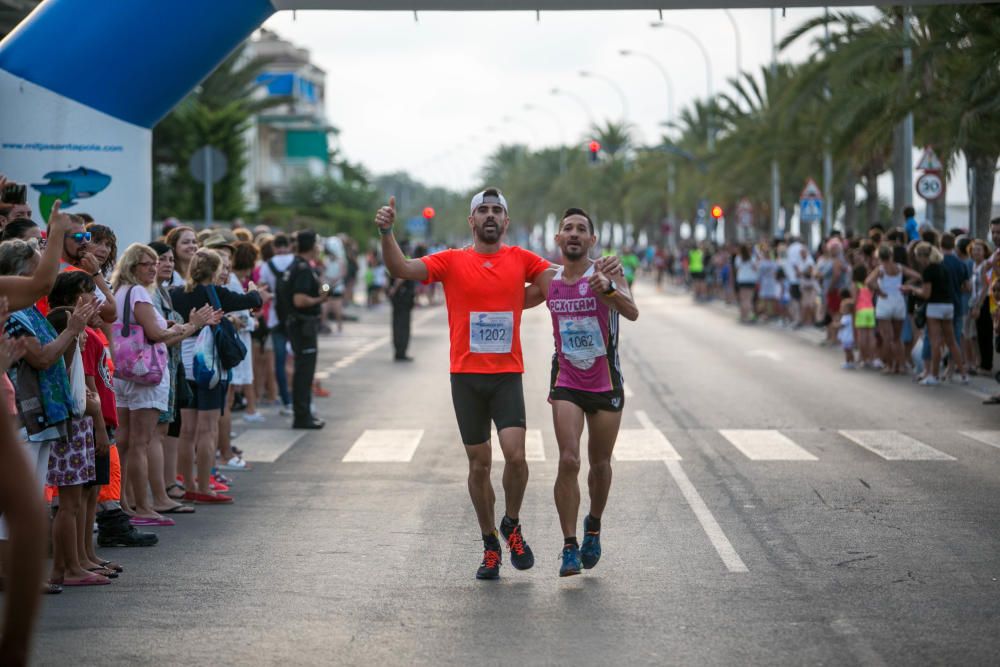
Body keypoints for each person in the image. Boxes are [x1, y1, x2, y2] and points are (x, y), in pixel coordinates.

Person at [374, 188, 620, 580]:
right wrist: (387, 235)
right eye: (482, 211)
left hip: (506, 374)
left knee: (516, 457)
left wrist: (601, 276)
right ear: (472, 221)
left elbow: (557, 282)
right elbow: (402, 269)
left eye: (497, 211)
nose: (490, 216)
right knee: (479, 465)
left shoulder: (521, 258)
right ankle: (491, 543)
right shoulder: (451, 260)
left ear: (506, 221)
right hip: (465, 376)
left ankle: (512, 522)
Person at [530, 208, 637, 576]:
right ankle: (569, 545)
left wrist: (607, 289)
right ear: (558, 239)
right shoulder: (548, 279)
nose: (574, 234)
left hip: (606, 381)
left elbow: (632, 311)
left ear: (592, 240)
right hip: (567, 380)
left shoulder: (607, 271)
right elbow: (506, 299)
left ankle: (593, 523)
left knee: (600, 465)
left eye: (581, 230)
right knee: (569, 460)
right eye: (567, 229)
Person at [111, 244, 215, 521]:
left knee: (123, 442)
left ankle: (124, 504)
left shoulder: (119, 291)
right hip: (145, 374)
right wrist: (190, 326)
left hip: (122, 372)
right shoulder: (138, 293)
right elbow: (156, 335)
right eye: (147, 264)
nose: (154, 268)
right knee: (141, 442)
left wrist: (170, 326)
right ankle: (144, 506)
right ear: (133, 267)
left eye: (155, 263)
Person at [170, 249, 259, 502]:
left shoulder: (177, 293)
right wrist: (252, 287)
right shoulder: (216, 294)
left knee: (186, 432)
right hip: (210, 368)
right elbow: (253, 300)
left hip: (185, 367)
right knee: (207, 430)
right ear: (216, 270)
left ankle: (186, 483)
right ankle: (204, 487)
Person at [281, 230, 329, 429]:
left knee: (304, 371)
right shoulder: (302, 268)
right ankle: (302, 417)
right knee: (304, 372)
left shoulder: (297, 266)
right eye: (317, 244)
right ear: (312, 246)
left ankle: (304, 414)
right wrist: (320, 299)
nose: (319, 248)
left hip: (298, 325)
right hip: (302, 326)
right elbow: (299, 300)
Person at [903, 242, 968, 386]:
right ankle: (964, 375)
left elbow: (926, 294)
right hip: (949, 306)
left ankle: (933, 376)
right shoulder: (943, 268)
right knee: (952, 342)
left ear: (922, 256)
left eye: (917, 257)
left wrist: (911, 289)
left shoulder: (928, 270)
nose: (917, 260)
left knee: (935, 342)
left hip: (935, 307)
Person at [257, 233, 295, 415]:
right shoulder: (296, 261)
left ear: (274, 247)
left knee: (279, 362)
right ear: (289, 245)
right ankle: (300, 399)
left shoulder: (266, 265)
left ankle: (287, 402)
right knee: (299, 360)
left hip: (275, 318)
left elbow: (262, 290)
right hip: (296, 317)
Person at [388, 251, 416, 362]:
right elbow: (403, 275)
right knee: (403, 325)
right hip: (404, 297)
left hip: (397, 298)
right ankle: (401, 352)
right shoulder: (406, 257)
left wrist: (391, 290)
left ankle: (398, 351)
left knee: (396, 323)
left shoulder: (391, 256)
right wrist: (394, 288)